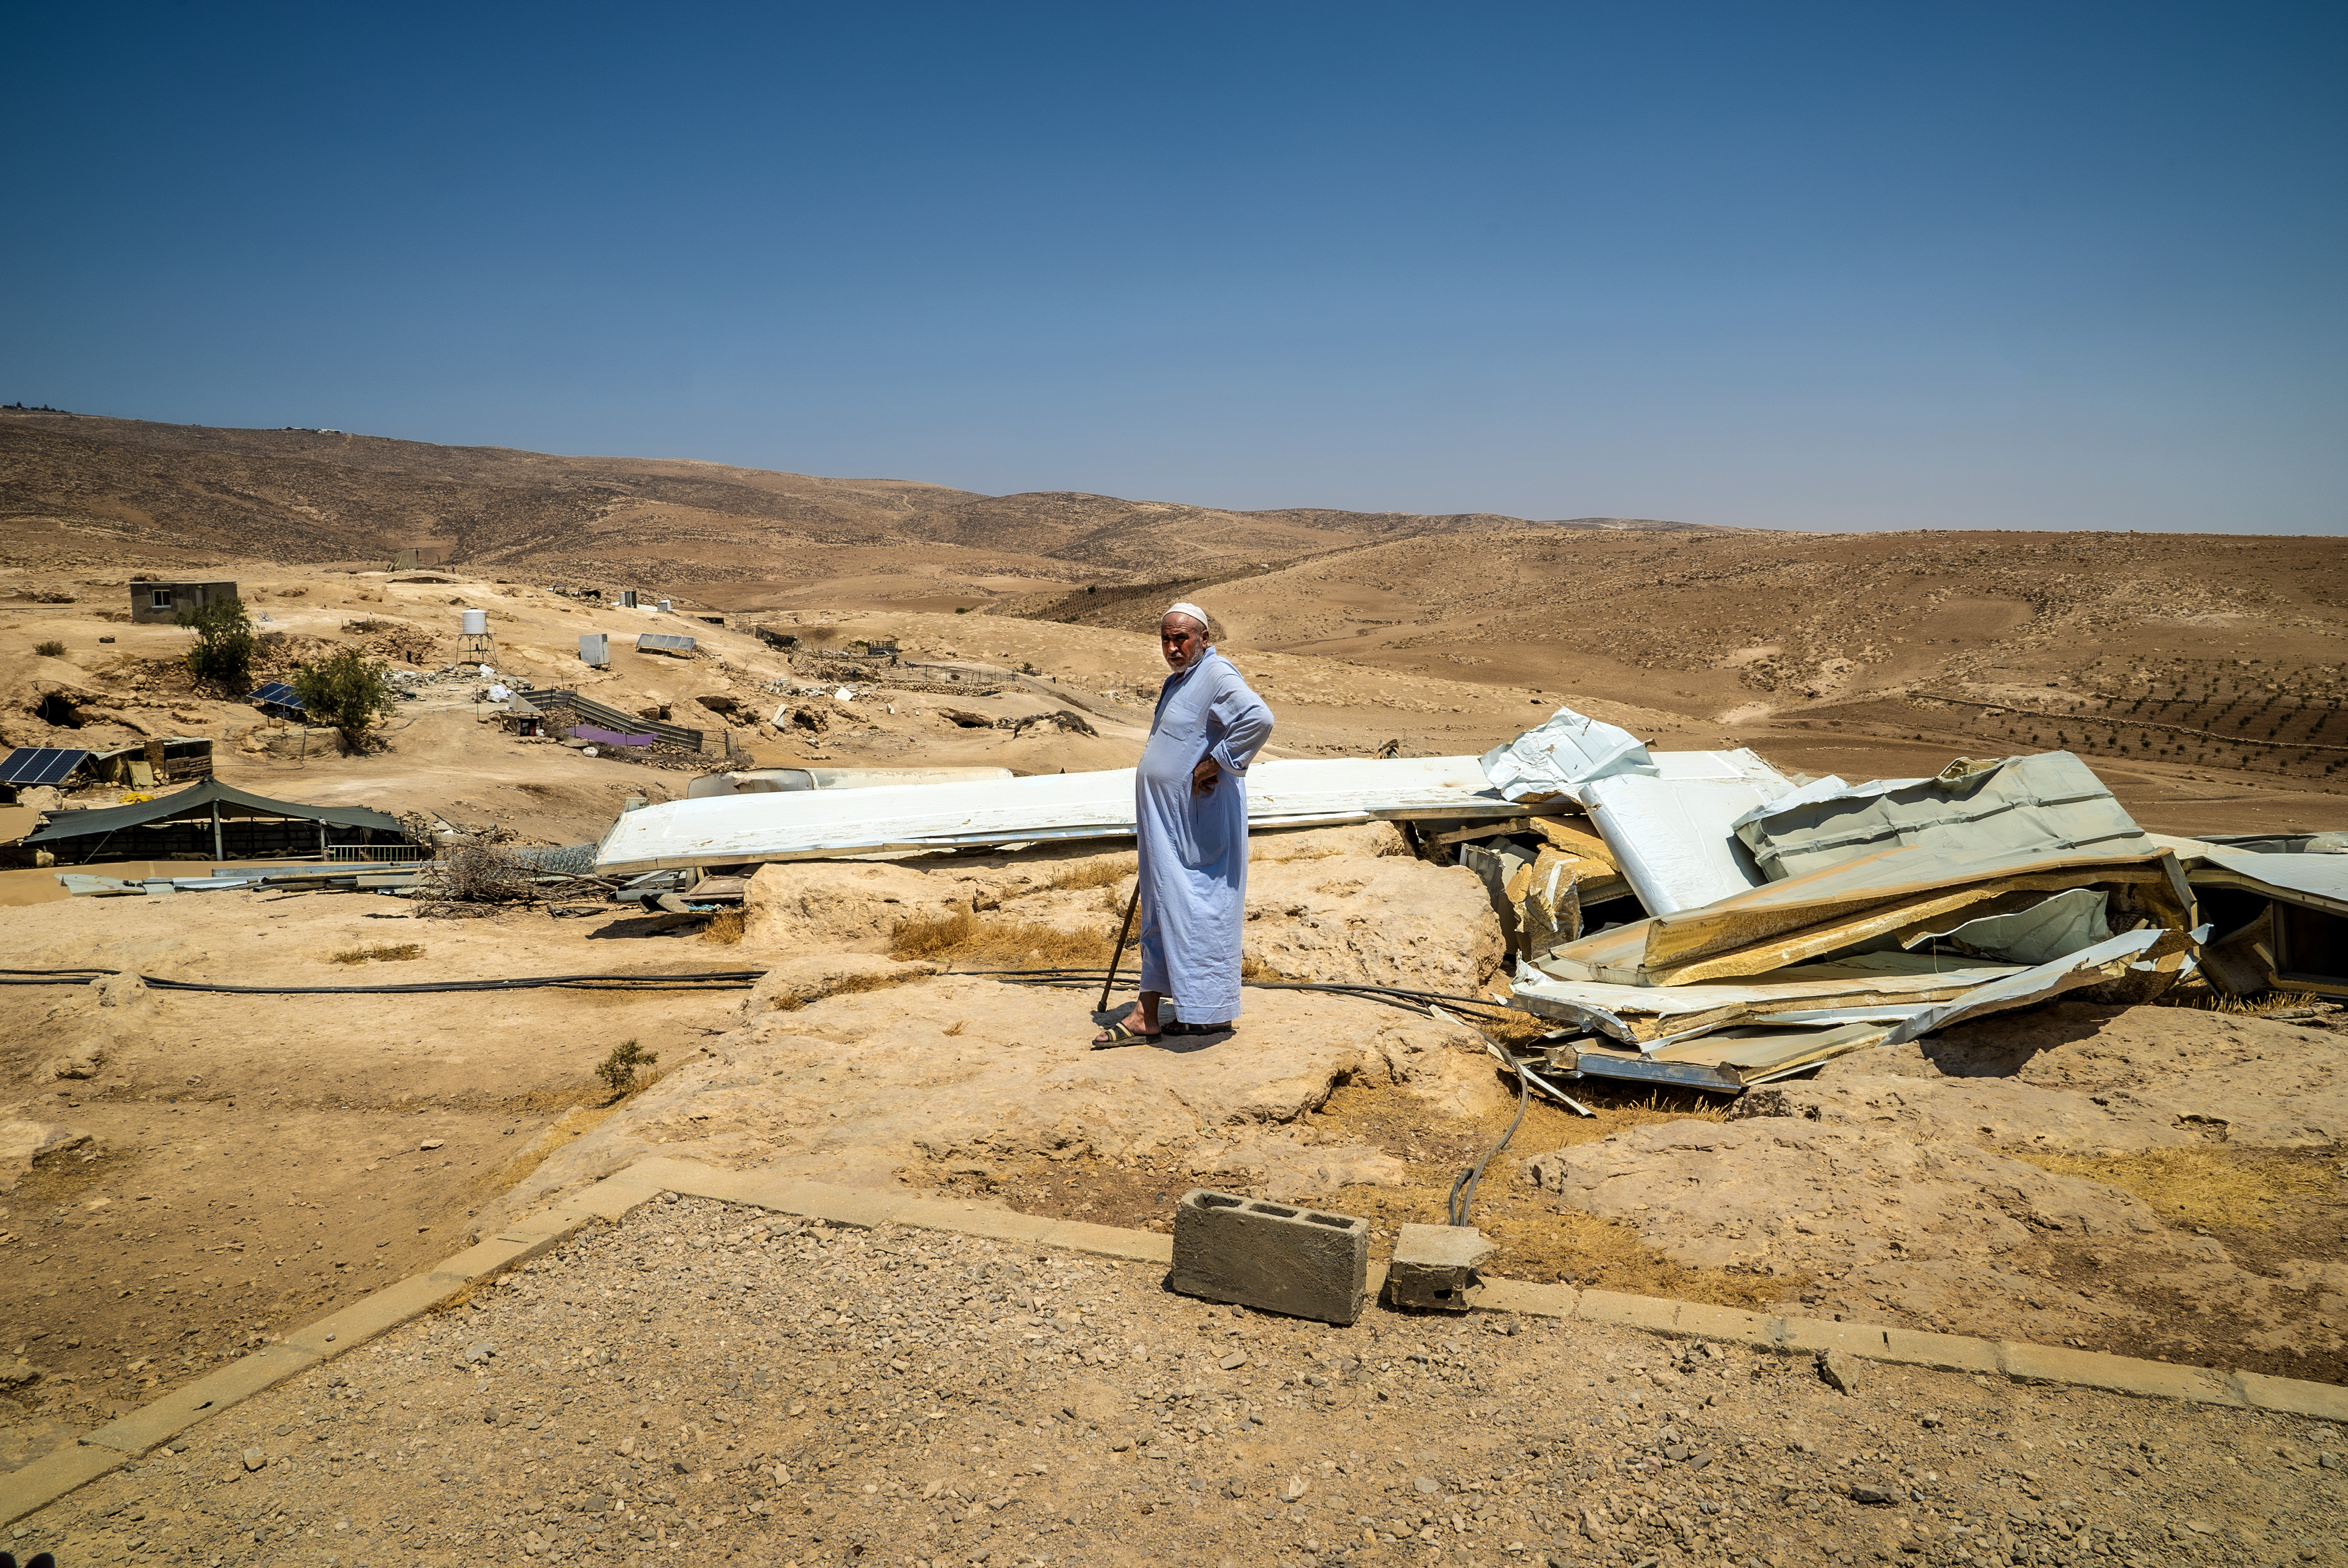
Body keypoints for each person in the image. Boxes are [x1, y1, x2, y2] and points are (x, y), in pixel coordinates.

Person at [1094, 603, 1274, 1045]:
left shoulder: (1217, 674)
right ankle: (1197, 1012)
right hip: (1168, 823)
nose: (1173, 648)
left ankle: (1149, 1014)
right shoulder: (1182, 679)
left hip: (1193, 826)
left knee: (1189, 908)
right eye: (1166, 639)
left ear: (1204, 639)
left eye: (1182, 639)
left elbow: (1259, 718)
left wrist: (1214, 765)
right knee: (1170, 907)